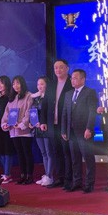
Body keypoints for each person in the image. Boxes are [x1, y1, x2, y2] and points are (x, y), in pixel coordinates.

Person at [61, 69, 98, 193]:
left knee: (88, 158)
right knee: (75, 158)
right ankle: (76, 182)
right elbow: (64, 113)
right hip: (71, 132)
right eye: (72, 78)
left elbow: (92, 112)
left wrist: (89, 128)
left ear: (83, 79)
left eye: (75, 78)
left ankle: (89, 184)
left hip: (84, 131)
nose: (72, 80)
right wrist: (64, 130)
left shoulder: (90, 92)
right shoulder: (68, 94)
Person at [45, 59, 73, 189]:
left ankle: (69, 179)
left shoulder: (72, 83)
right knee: (56, 152)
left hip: (66, 125)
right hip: (53, 124)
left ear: (67, 68)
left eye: (61, 67)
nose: (58, 70)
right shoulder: (51, 84)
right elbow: (45, 103)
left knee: (67, 152)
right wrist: (43, 121)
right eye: (56, 67)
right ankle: (59, 178)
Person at [2, 75, 34, 184]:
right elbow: (6, 113)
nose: (15, 86)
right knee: (20, 154)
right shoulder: (12, 98)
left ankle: (29, 176)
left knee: (27, 153)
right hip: (13, 131)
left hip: (25, 131)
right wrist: (5, 124)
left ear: (22, 84)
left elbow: (29, 112)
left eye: (18, 83)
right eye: (14, 83)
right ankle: (22, 175)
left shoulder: (28, 96)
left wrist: (21, 124)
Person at [0, 75, 15, 183]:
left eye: (2, 83)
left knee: (7, 151)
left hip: (6, 128)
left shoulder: (10, 98)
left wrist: (2, 122)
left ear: (7, 84)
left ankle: (7, 174)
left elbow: (10, 113)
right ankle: (5, 172)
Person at [31, 76, 54, 187]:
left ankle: (50, 176)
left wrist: (42, 122)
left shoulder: (49, 97)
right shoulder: (36, 98)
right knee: (43, 153)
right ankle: (46, 175)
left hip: (46, 127)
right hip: (37, 128)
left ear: (47, 85)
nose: (39, 86)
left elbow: (49, 113)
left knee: (49, 153)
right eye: (38, 84)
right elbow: (33, 112)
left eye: (42, 84)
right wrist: (32, 122)